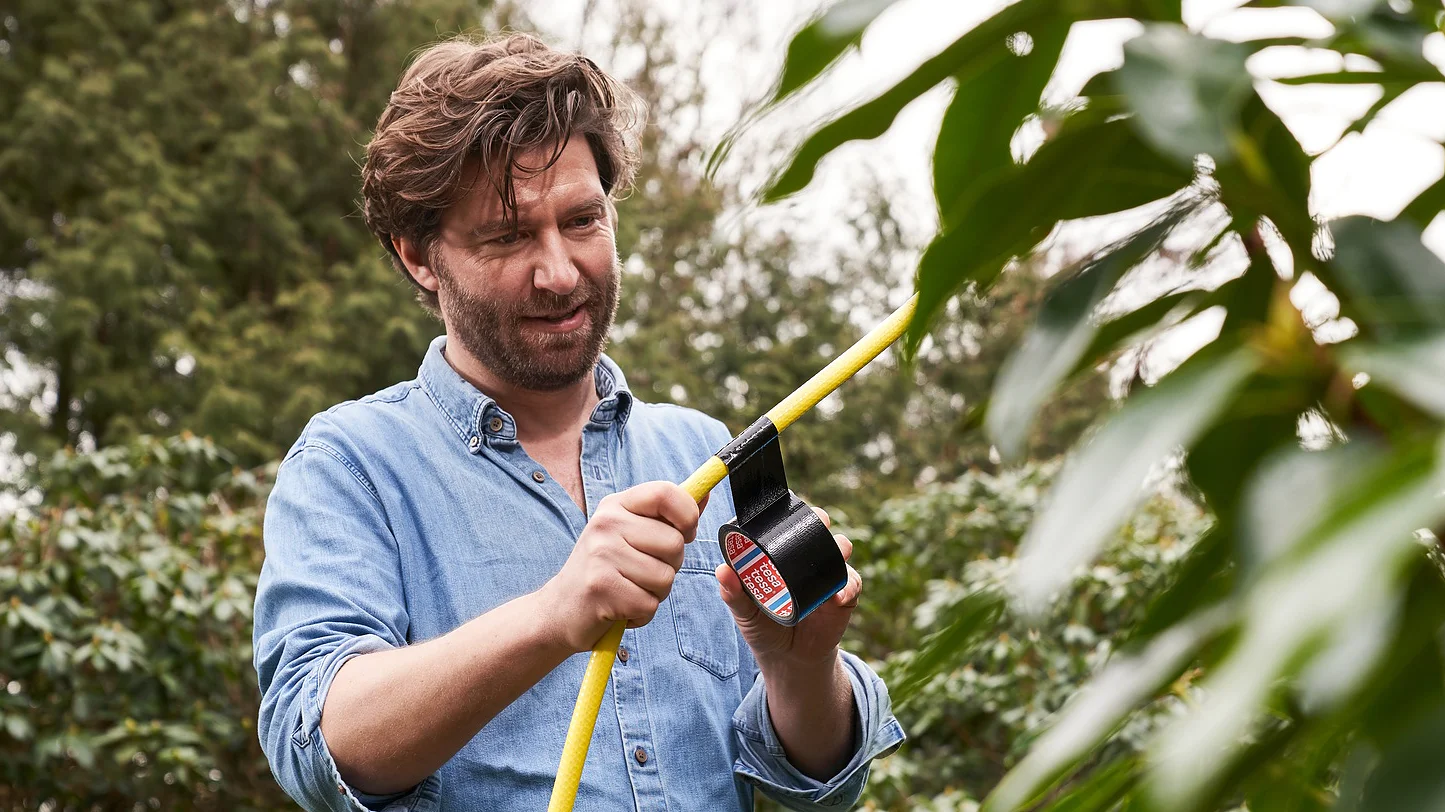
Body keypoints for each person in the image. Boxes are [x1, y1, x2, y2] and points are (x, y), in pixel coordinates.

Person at [252, 31, 904, 812]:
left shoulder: (703, 451)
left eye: (583, 220)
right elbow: (318, 743)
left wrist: (801, 666)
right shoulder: (352, 463)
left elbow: (821, 785)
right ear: (419, 256)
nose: (560, 272)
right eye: (507, 235)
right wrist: (554, 615)